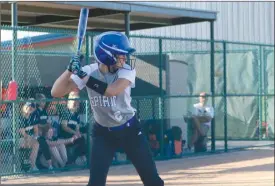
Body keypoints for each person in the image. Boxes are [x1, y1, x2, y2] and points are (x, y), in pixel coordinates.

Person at [51, 31, 164, 186]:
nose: (124, 58)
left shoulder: (127, 70)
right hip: (103, 134)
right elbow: (56, 92)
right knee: (96, 182)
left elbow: (112, 91)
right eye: (120, 55)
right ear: (106, 55)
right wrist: (69, 70)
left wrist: (83, 77)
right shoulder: (90, 71)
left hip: (130, 130)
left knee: (152, 180)